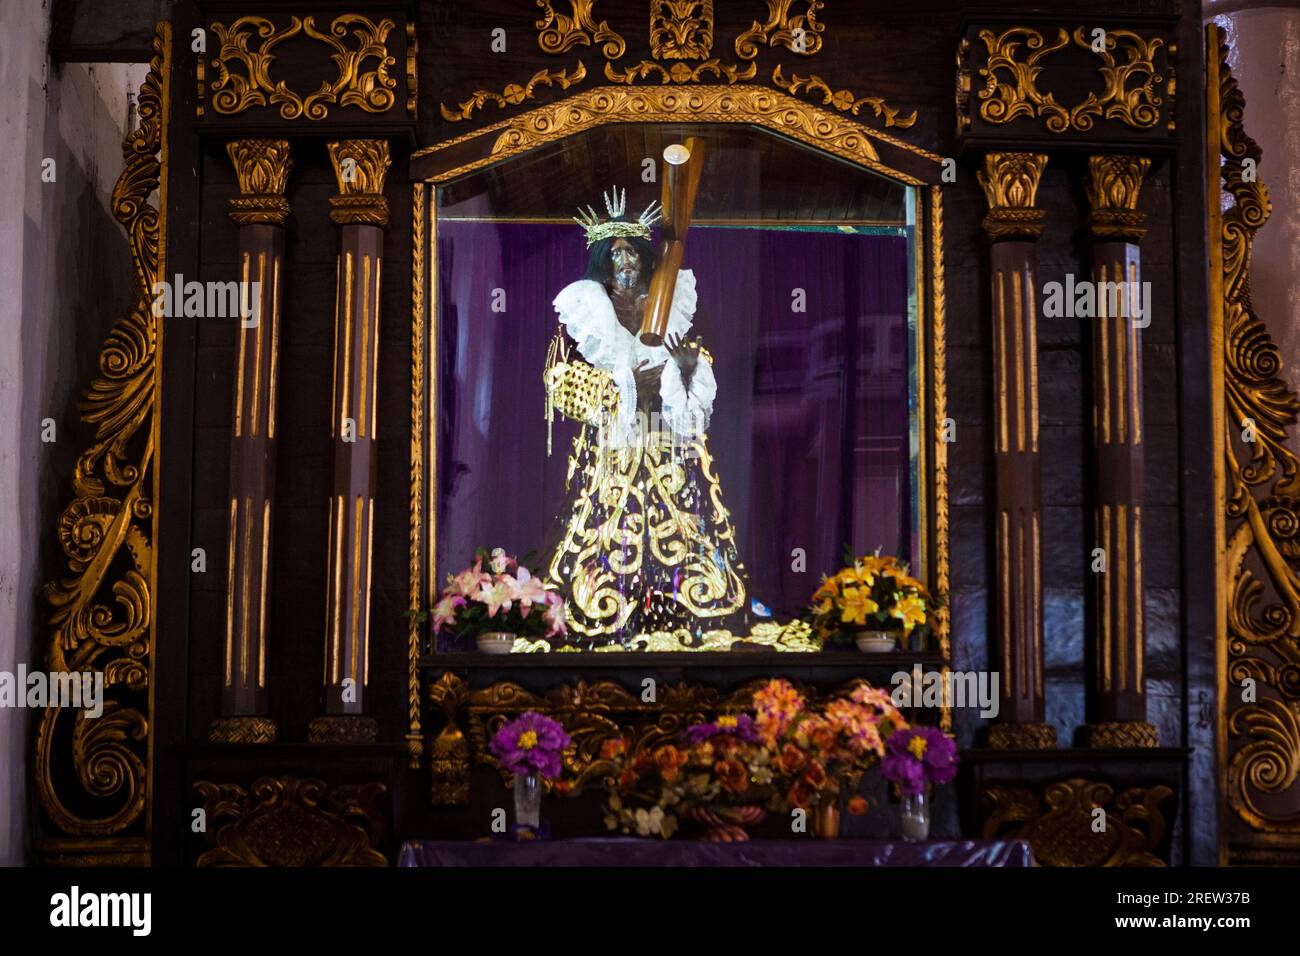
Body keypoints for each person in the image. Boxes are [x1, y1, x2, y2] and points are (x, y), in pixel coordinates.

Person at [543, 187, 747, 648]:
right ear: (603, 261)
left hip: (668, 438)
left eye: (633, 251)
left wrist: (683, 371)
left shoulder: (672, 302)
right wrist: (624, 386)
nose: (626, 261)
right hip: (610, 445)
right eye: (616, 253)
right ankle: (600, 610)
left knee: (684, 520)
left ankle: (685, 606)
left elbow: (700, 355)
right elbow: (558, 379)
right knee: (604, 523)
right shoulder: (582, 310)